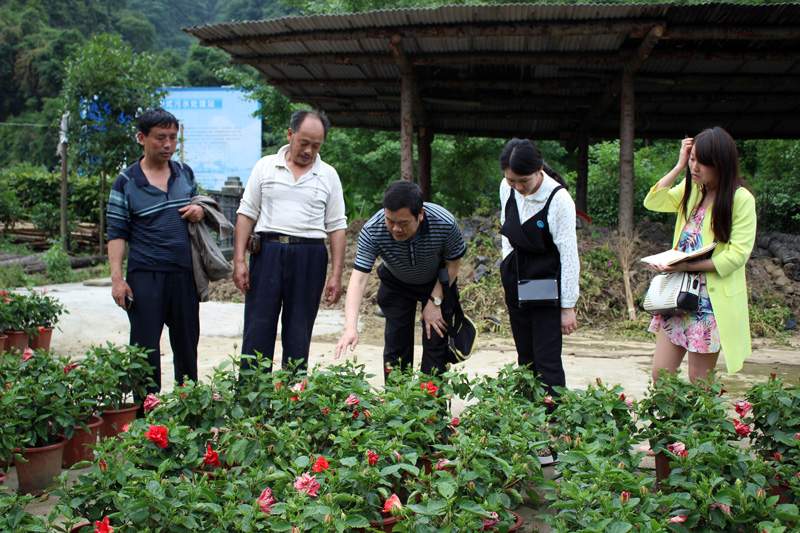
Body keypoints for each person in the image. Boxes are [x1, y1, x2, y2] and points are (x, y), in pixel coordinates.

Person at [233, 109, 347, 372]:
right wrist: (239, 260)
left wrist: (336, 274)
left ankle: (293, 400)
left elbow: (337, 227)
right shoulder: (265, 166)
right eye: (303, 143)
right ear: (290, 134)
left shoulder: (328, 175)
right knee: (257, 328)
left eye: (316, 146)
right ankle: (252, 401)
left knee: (299, 331)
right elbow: (246, 213)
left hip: (310, 257)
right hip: (267, 253)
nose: (308, 150)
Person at [645, 127, 756, 382]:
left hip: (709, 302)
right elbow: (654, 202)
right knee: (660, 374)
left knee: (700, 383)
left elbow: (737, 255)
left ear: (721, 164)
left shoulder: (741, 200)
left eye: (702, 162)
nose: (696, 167)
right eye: (693, 159)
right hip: (677, 295)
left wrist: (687, 267)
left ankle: (703, 424)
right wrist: (678, 165)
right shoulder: (694, 188)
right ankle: (668, 423)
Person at [106, 108, 204, 395]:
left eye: (173, 138)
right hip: (145, 276)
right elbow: (116, 232)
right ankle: (144, 416)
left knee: (187, 345)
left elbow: (198, 205)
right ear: (141, 138)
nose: (168, 145)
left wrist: (199, 210)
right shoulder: (126, 181)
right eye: (160, 138)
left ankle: (189, 409)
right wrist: (116, 279)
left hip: (183, 275)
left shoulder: (184, 173)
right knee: (144, 348)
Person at [335, 181, 466, 376]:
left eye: (403, 223)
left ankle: (433, 404)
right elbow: (359, 278)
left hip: (436, 281)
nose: (396, 228)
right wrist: (350, 327)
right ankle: (396, 403)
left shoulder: (444, 223)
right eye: (390, 221)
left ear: (420, 214)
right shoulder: (373, 230)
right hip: (396, 283)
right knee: (396, 346)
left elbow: (453, 264)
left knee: (436, 341)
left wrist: (435, 301)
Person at [498, 138, 579, 398]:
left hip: (545, 284)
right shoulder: (506, 187)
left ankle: (554, 421)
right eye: (513, 181)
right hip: (516, 279)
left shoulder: (559, 199)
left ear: (538, 170)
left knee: (547, 359)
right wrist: (507, 267)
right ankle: (527, 421)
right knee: (525, 356)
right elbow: (506, 229)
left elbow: (569, 254)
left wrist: (568, 306)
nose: (518, 187)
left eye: (524, 181)